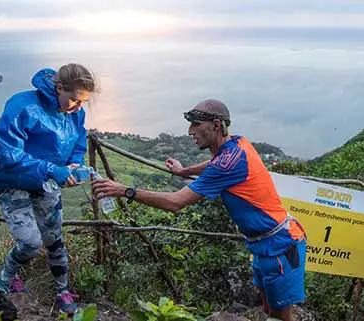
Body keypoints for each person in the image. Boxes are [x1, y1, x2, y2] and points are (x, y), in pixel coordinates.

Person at [91, 99, 307, 321]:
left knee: (281, 317)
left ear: (215, 125)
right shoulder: (238, 144)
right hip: (263, 244)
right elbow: (214, 162)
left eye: (196, 125)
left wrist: (125, 190)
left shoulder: (227, 163)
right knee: (267, 311)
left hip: (281, 246)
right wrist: (184, 171)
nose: (190, 131)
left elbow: (175, 202)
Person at [0, 63, 96, 315]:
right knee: (30, 243)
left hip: (46, 182)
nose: (78, 107)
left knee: (54, 239)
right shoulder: (22, 106)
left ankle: (62, 290)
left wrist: (73, 165)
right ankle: (7, 276)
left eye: (83, 102)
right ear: (59, 88)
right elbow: (9, 154)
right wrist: (52, 169)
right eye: (74, 100)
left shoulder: (74, 112)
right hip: (11, 181)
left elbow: (79, 138)